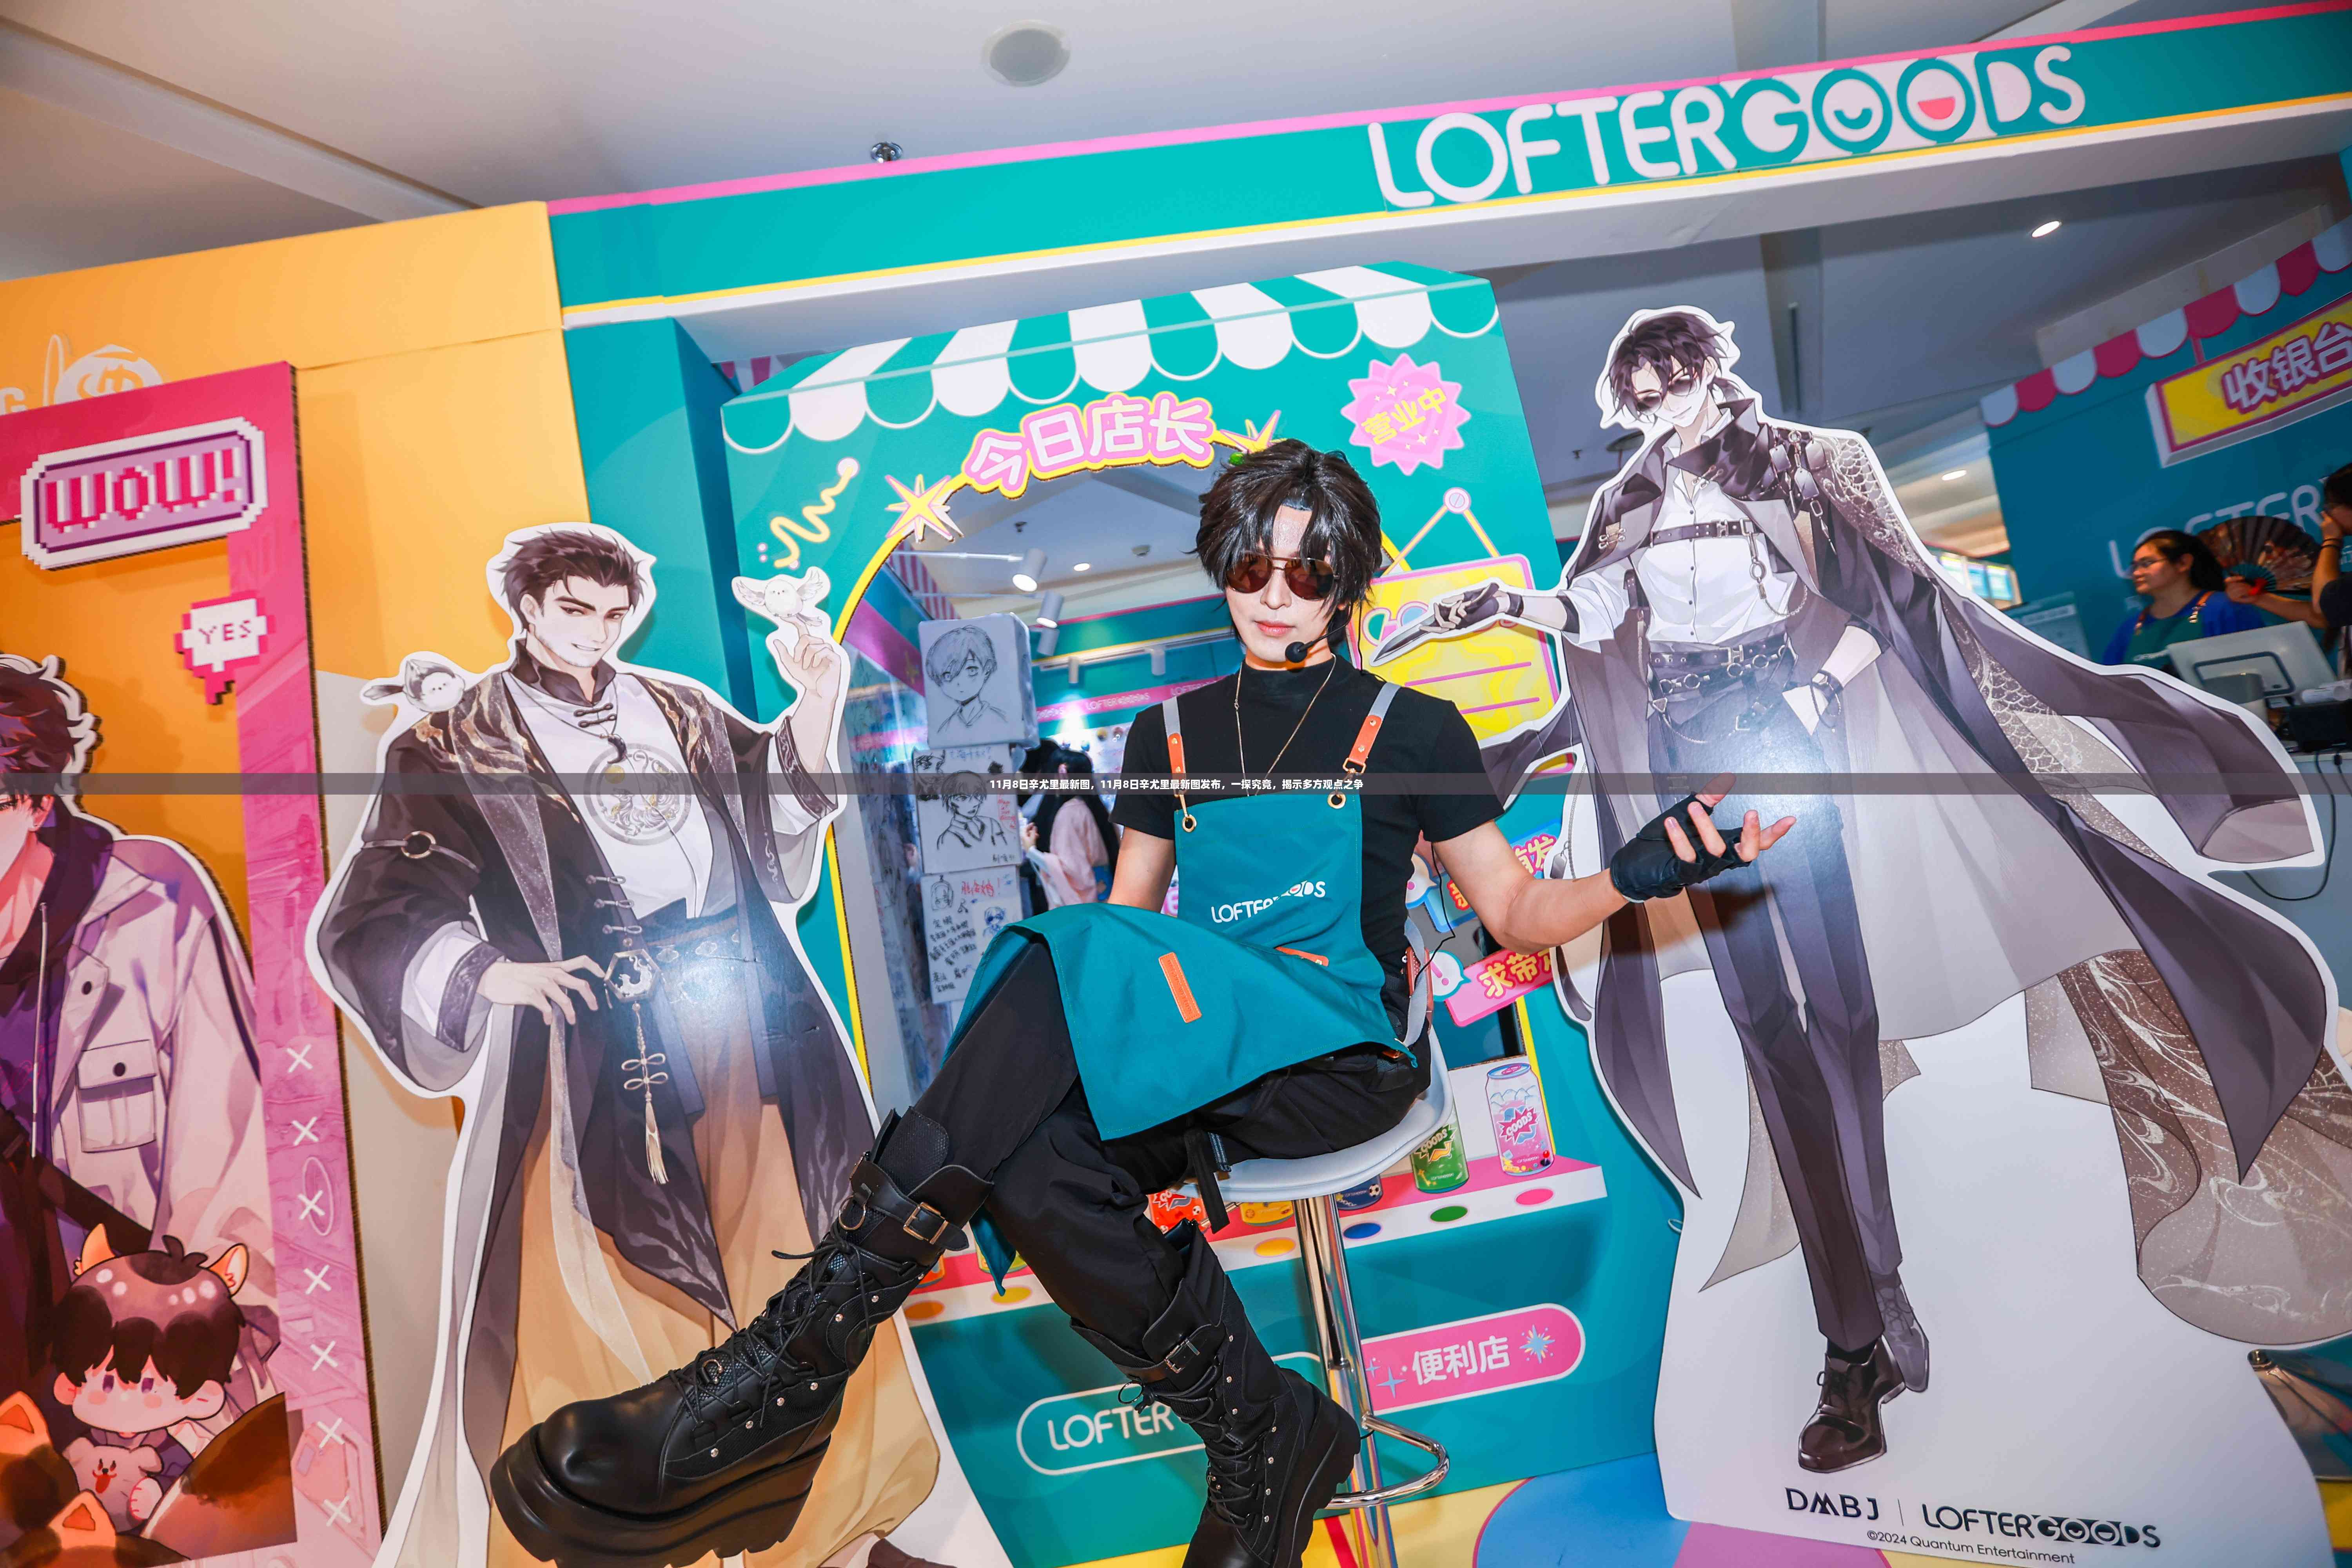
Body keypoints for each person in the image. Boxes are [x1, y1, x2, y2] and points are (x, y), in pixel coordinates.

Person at [490, 442, 1789, 1568]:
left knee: (1061, 961)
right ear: (1224, 563)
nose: (1274, 595)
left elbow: (1513, 911)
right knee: (1029, 1155)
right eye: (1253, 566)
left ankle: (783, 1374)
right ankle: (1261, 1431)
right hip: (1207, 1043)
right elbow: (1132, 926)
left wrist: (1637, 873)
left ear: (1344, 581)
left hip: (1337, 1055)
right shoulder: (1164, 736)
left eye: (1307, 573)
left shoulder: (1414, 727)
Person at [1389, 306, 2343, 1478]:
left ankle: (1879, 1298)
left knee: (1836, 1022)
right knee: (1770, 1036)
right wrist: (1503, 607)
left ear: (1706, 373)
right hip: (1687, 755)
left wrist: (1811, 695)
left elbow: (1896, 604)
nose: (1656, 409)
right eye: (1638, 398)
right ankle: (1852, 1338)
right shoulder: (1629, 495)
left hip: (1785, 742)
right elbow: (1599, 617)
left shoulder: (1808, 460)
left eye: (1670, 385)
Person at [313, 526, 937, 1568]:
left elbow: (774, 823)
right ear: (525, 607)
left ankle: (825, 1540)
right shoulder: (458, 743)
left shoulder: (677, 709)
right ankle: (636, 1551)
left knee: (796, 1269)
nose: (595, 632)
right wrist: (489, 971)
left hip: (744, 1024)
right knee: (600, 1298)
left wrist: (817, 701)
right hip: (590, 1062)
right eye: (574, 610)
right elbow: (375, 915)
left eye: (613, 614)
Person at [0, 654, 274, 1428]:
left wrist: (194, 1382)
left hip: (124, 1370)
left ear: (33, 800)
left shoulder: (148, 907)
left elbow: (235, 1165)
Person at [2101, 527, 2263, 666]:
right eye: (2134, 567)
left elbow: (2256, 670)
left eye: (2147, 564)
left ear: (2183, 563)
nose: (2137, 573)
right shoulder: (2129, 628)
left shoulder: (2226, 609)